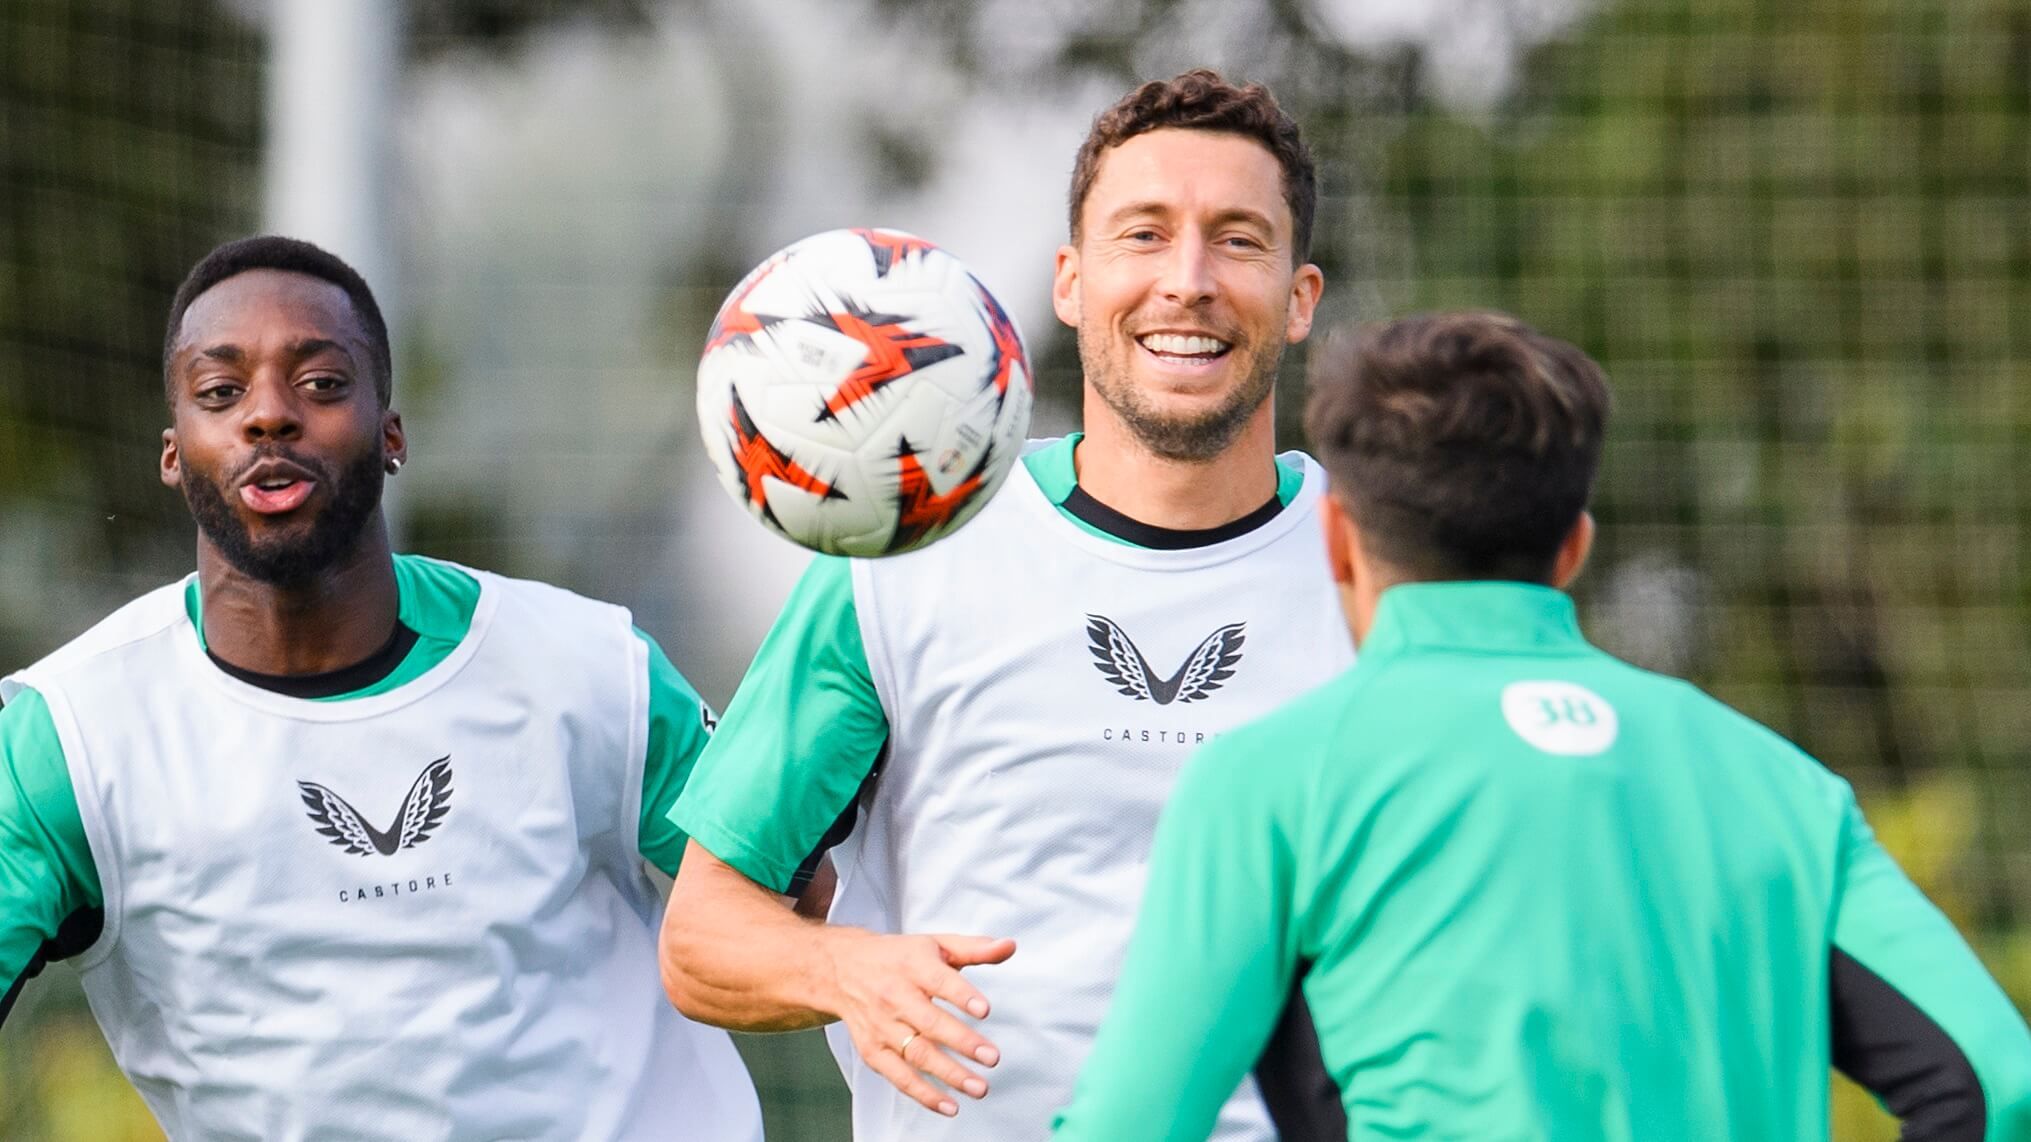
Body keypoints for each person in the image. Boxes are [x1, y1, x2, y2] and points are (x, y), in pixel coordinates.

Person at [1053, 312, 2031, 1140]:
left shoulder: (1270, 780)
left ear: (1339, 539)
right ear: (1574, 545)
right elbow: (1995, 1082)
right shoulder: (1784, 785)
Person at [658, 69, 1351, 1139]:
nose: (1189, 279)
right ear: (1071, 282)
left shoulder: (1376, 565)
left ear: (1300, 297)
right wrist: (844, 967)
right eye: (1145, 235)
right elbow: (704, 931)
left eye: (1239, 240)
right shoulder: (904, 555)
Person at [0, 236, 763, 1140]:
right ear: (174, 454)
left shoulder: (590, 665)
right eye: (220, 392)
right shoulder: (75, 734)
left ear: (391, 435)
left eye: (321, 384)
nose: (269, 417)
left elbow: (790, 906)